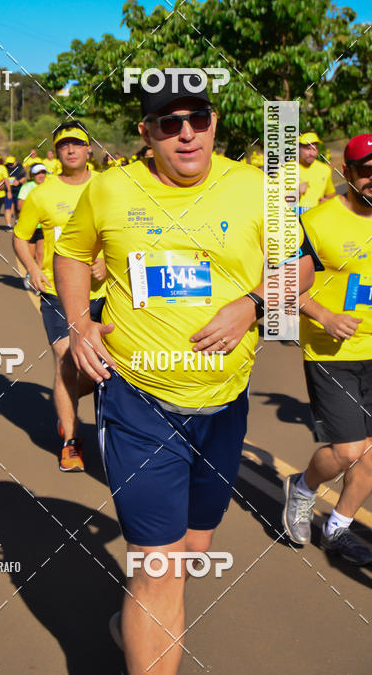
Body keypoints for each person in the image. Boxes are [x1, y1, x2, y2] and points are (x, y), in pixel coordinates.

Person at [52, 75, 316, 674]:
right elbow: (70, 252)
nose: (186, 134)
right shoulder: (110, 188)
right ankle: (148, 617)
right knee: (161, 567)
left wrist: (252, 304)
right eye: (169, 123)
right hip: (138, 399)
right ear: (146, 133)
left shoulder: (255, 188)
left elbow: (299, 265)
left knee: (194, 548)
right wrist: (79, 323)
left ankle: (133, 621)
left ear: (214, 123)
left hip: (223, 404)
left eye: (197, 119)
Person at [282, 134, 372, 565]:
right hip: (333, 353)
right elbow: (284, 283)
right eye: (366, 170)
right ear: (347, 172)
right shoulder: (316, 222)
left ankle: (337, 528)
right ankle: (302, 488)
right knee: (348, 450)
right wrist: (324, 316)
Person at [13, 121, 106, 472]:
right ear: (56, 152)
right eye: (64, 145)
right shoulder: (42, 193)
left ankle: (103, 429)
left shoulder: (108, 186)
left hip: (104, 292)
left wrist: (108, 262)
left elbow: (128, 233)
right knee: (67, 359)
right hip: (58, 292)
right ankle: (71, 440)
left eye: (77, 143)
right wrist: (32, 269)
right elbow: (20, 236)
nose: (71, 149)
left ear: (88, 149)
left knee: (100, 367)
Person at [17, 162, 47, 289]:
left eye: (43, 173)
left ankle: (38, 282)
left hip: (44, 227)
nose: (41, 175)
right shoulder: (27, 187)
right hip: (31, 227)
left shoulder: (50, 186)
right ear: (33, 175)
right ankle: (29, 275)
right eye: (37, 173)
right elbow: (20, 205)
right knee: (31, 254)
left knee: (41, 256)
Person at [296, 131, 335, 212]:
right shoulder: (285, 170)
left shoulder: (325, 169)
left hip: (317, 215)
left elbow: (330, 195)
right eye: (308, 149)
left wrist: (327, 202)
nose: (312, 153)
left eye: (314, 149)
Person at [4, 154, 26, 228]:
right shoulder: (5, 167)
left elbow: (24, 178)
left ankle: (17, 221)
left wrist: (19, 182)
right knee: (7, 207)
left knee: (18, 208)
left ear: (15, 161)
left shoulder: (20, 167)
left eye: (11, 163)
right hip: (8, 191)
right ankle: (8, 225)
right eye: (8, 163)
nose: (10, 165)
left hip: (18, 190)